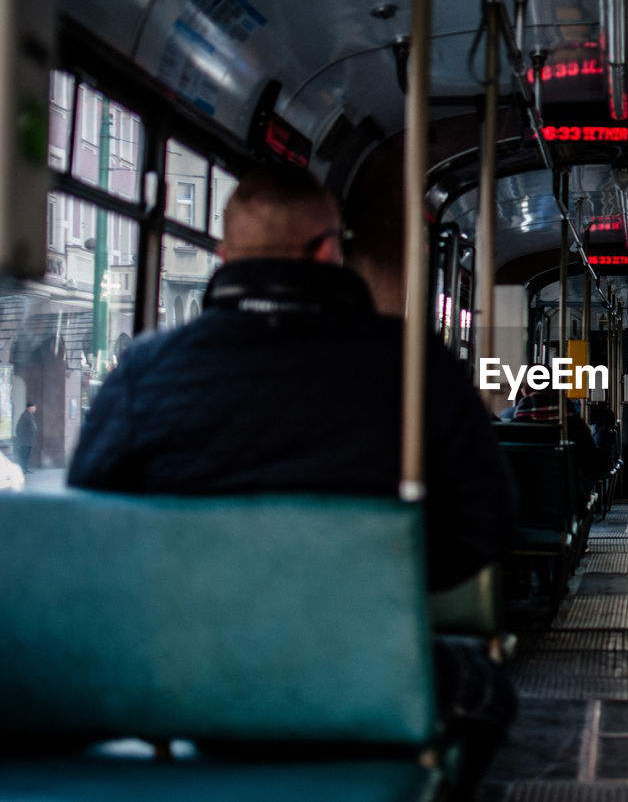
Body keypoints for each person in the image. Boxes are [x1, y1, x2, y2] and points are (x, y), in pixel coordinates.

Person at [67, 164, 518, 763]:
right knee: (488, 693)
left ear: (225, 256)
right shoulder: (410, 362)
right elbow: (487, 521)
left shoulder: (145, 368)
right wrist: (385, 579)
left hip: (186, 671)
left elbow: (94, 524)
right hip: (359, 659)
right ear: (328, 250)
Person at [14, 402, 36, 474]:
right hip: (25, 440)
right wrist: (22, 438)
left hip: (29, 440)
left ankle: (25, 468)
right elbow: (19, 428)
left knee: (27, 455)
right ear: (28, 408)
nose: (35, 409)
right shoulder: (25, 416)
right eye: (33, 407)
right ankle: (22, 468)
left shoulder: (30, 415)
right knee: (23, 455)